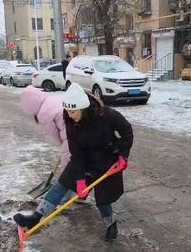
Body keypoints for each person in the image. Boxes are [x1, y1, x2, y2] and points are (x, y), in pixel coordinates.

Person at [14, 83, 133, 242]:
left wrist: (123, 156)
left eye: (73, 111)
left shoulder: (107, 115)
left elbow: (127, 131)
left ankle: (111, 225)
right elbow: (75, 153)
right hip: (84, 159)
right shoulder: (70, 120)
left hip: (107, 160)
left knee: (103, 199)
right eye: (68, 111)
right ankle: (36, 216)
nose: (70, 115)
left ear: (83, 107)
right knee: (61, 184)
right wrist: (80, 180)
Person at [20, 85, 70, 168]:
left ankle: (68, 180)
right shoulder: (50, 100)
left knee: (69, 163)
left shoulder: (43, 114)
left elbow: (56, 135)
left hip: (69, 135)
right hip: (75, 130)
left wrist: (62, 148)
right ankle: (78, 179)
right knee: (77, 163)